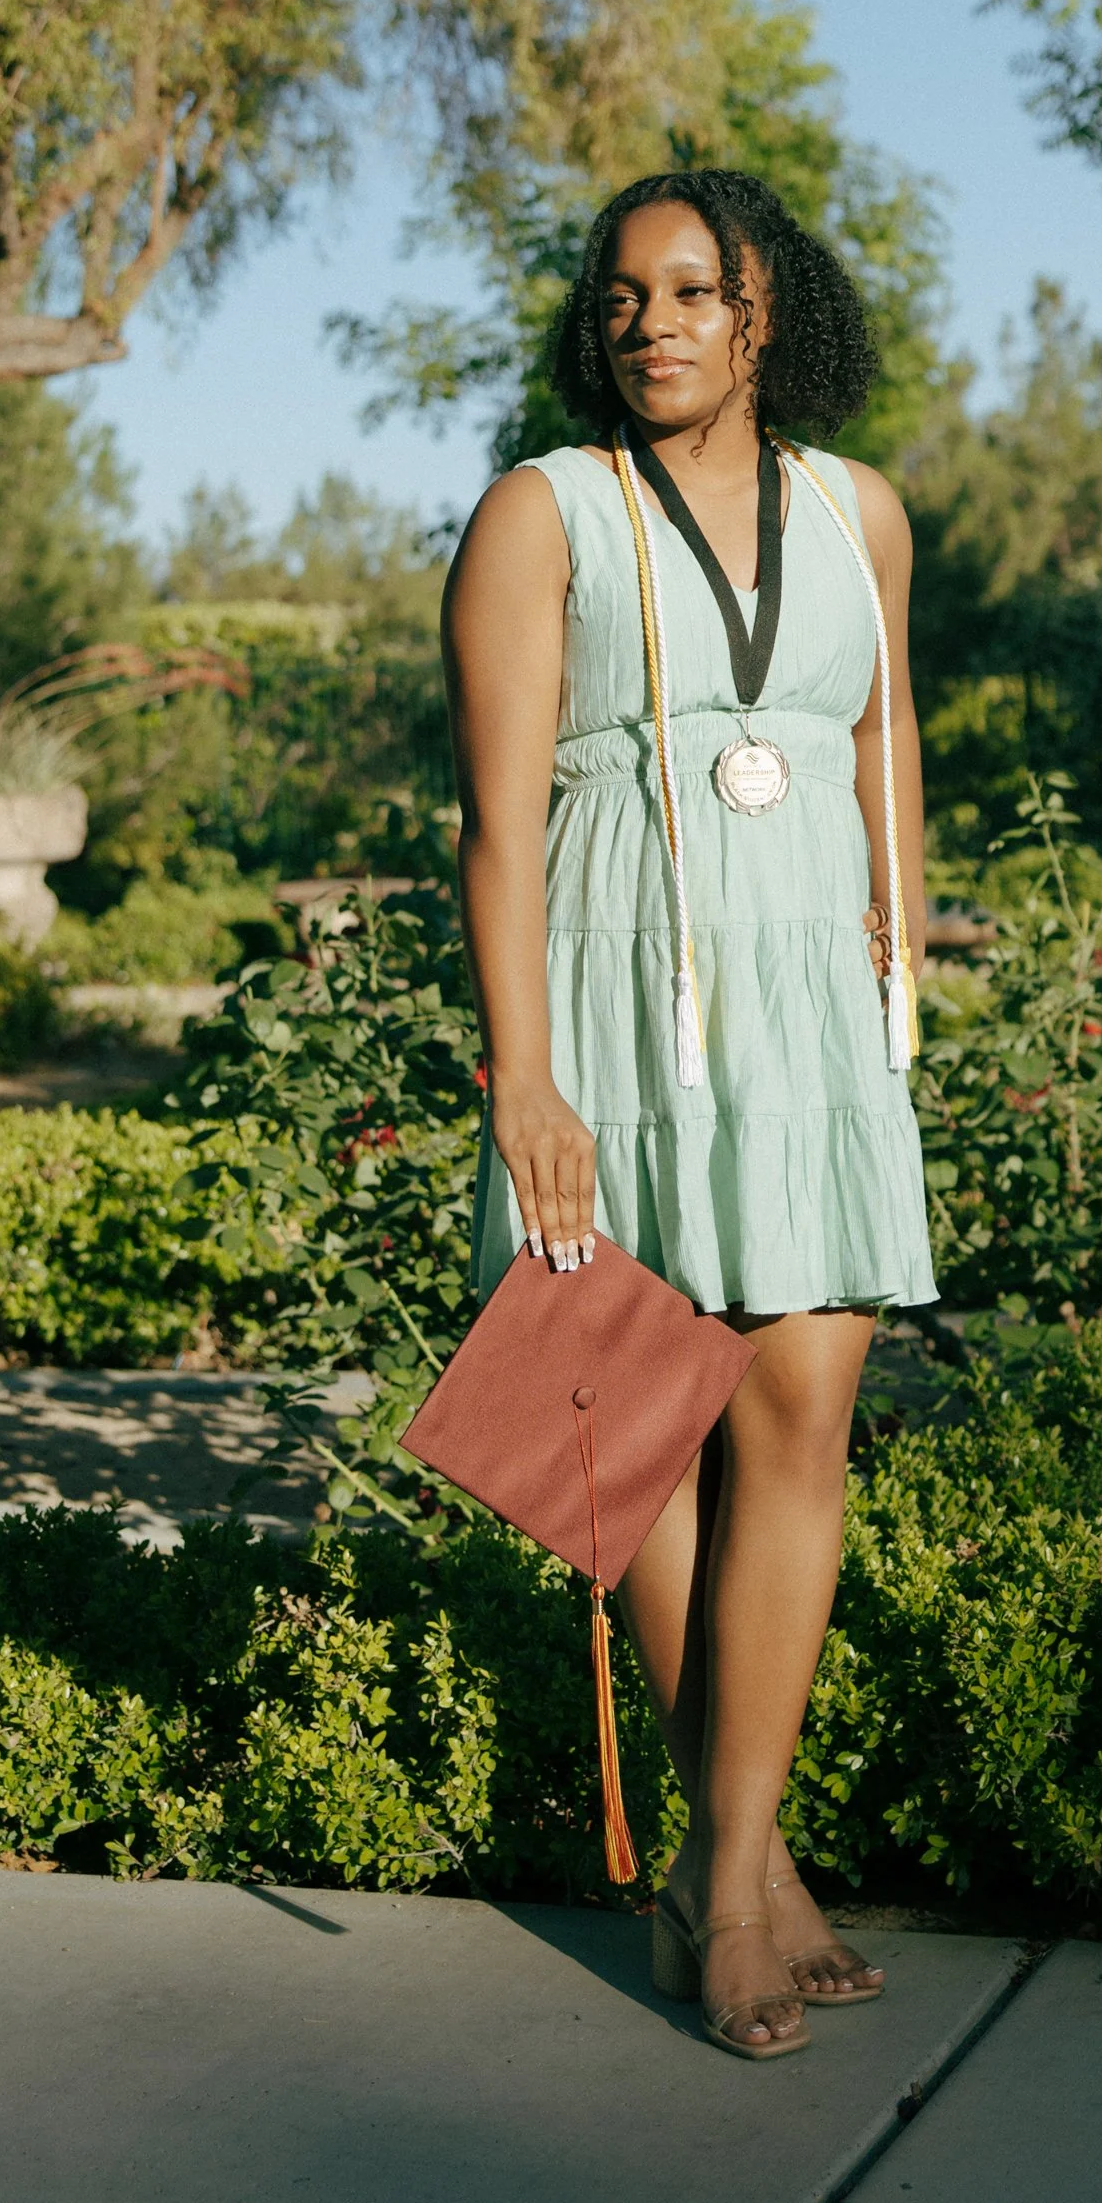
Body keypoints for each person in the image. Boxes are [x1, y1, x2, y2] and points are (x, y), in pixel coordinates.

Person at [441, 170, 937, 2062]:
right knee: (641, 1426)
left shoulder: (857, 510)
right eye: (625, 293)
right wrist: (528, 1074)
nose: (654, 320)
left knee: (805, 1401)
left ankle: (724, 1873)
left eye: (693, 289)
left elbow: (887, 731)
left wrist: (902, 951)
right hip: (620, 995)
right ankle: (742, 1883)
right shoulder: (538, 513)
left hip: (810, 996)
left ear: (763, 315)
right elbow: (499, 820)